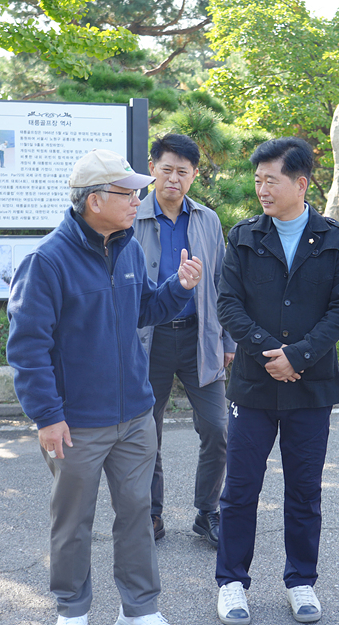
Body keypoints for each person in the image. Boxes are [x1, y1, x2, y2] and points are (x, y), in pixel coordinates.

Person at [7, 148, 204, 625]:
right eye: (128, 191)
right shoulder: (47, 261)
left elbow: (145, 311)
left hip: (136, 416)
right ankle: (72, 611)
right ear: (94, 201)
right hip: (76, 423)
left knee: (137, 517)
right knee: (72, 523)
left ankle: (139, 610)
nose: (141, 197)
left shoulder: (128, 247)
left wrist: (178, 287)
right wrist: (48, 417)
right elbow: (27, 349)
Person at [214, 137, 339, 625]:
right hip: (254, 386)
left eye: (269, 180)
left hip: (310, 384)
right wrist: (266, 352)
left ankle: (301, 582)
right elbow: (227, 302)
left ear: (300, 183)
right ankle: (232, 582)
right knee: (240, 489)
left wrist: (297, 355)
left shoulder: (337, 238)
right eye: (257, 180)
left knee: (303, 491)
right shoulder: (245, 235)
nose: (261, 189)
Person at [134, 134, 236, 548]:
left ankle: (207, 511)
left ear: (194, 175)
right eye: (166, 169)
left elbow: (222, 282)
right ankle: (151, 515)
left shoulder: (208, 220)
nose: (174, 178)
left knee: (219, 428)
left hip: (201, 338)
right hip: (148, 341)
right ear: (152, 168)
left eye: (183, 171)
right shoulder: (132, 215)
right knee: (145, 433)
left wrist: (228, 339)